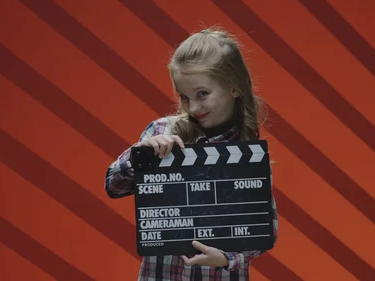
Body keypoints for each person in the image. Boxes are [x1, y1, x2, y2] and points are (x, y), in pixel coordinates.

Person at [105, 27, 278, 281]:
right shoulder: (162, 130)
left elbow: (265, 230)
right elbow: (114, 185)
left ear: (234, 87)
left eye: (203, 94)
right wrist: (139, 156)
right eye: (184, 97)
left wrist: (228, 259)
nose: (193, 107)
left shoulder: (247, 153)